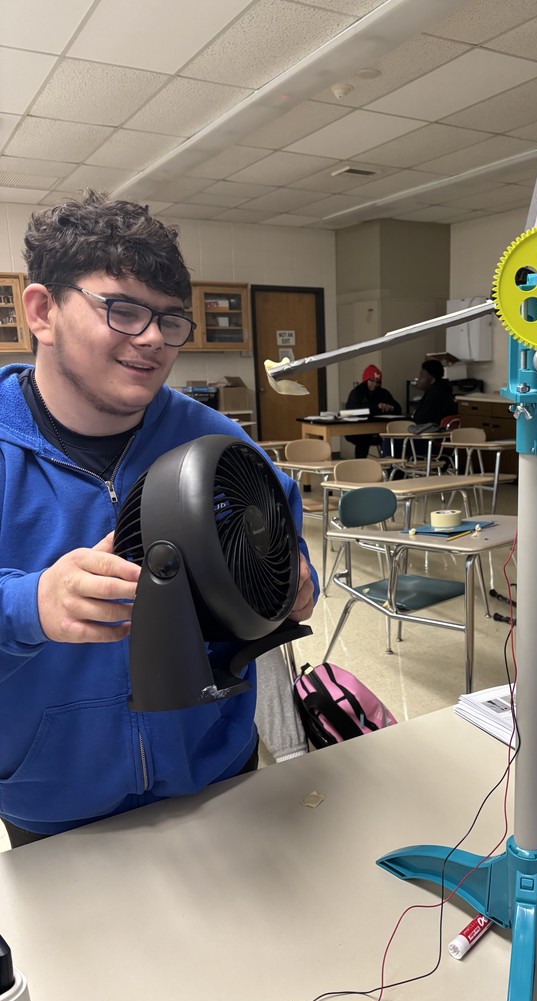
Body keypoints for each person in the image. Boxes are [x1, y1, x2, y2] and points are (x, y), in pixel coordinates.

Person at [0, 190, 318, 848]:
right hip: (55, 801)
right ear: (42, 311)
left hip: (217, 772)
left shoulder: (218, 441)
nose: (152, 339)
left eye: (171, 320)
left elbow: (281, 547)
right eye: (122, 310)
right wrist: (32, 603)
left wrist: (294, 584)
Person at [344, 363, 401, 458]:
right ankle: (360, 465)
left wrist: (390, 407)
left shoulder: (383, 393)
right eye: (372, 381)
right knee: (363, 438)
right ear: (366, 380)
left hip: (379, 430)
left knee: (392, 438)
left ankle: (389, 465)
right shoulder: (357, 393)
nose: (375, 384)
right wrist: (376, 407)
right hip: (358, 430)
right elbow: (352, 410)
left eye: (377, 382)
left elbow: (398, 408)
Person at [412, 359, 457, 426]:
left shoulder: (435, 396)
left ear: (432, 380)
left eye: (422, 376)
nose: (418, 378)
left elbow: (421, 420)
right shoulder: (441, 390)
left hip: (432, 433)